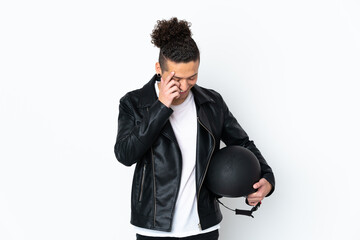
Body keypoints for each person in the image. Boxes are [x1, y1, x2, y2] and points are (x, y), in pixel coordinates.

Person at [114, 17, 275, 240]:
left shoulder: (212, 103)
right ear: (159, 68)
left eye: (192, 77)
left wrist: (267, 177)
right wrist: (161, 107)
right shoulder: (134, 103)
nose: (184, 86)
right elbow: (125, 154)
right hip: (154, 228)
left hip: (203, 228)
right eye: (176, 78)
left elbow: (242, 143)